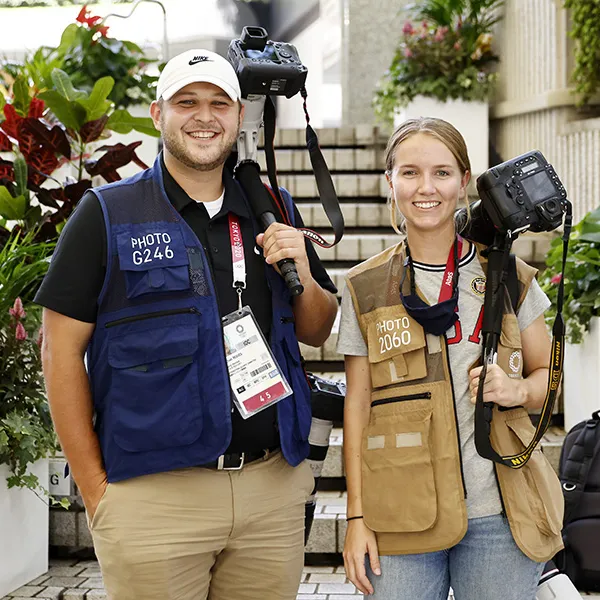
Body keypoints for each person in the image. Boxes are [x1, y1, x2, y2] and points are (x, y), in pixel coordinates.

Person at [36, 49, 339, 600]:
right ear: (158, 114)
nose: (205, 116)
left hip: (270, 490)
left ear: (240, 116)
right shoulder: (106, 213)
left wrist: (301, 267)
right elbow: (59, 353)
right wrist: (96, 491)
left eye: (219, 103)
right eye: (187, 102)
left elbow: (318, 328)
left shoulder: (271, 206)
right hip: (154, 499)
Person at [337, 117, 564, 600]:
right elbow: (357, 407)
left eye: (442, 173)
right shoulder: (364, 287)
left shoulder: (511, 276)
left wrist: (517, 389)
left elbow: (550, 375)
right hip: (400, 518)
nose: (426, 188)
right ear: (390, 182)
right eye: (410, 172)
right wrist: (356, 518)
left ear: (465, 181)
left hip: (501, 516)